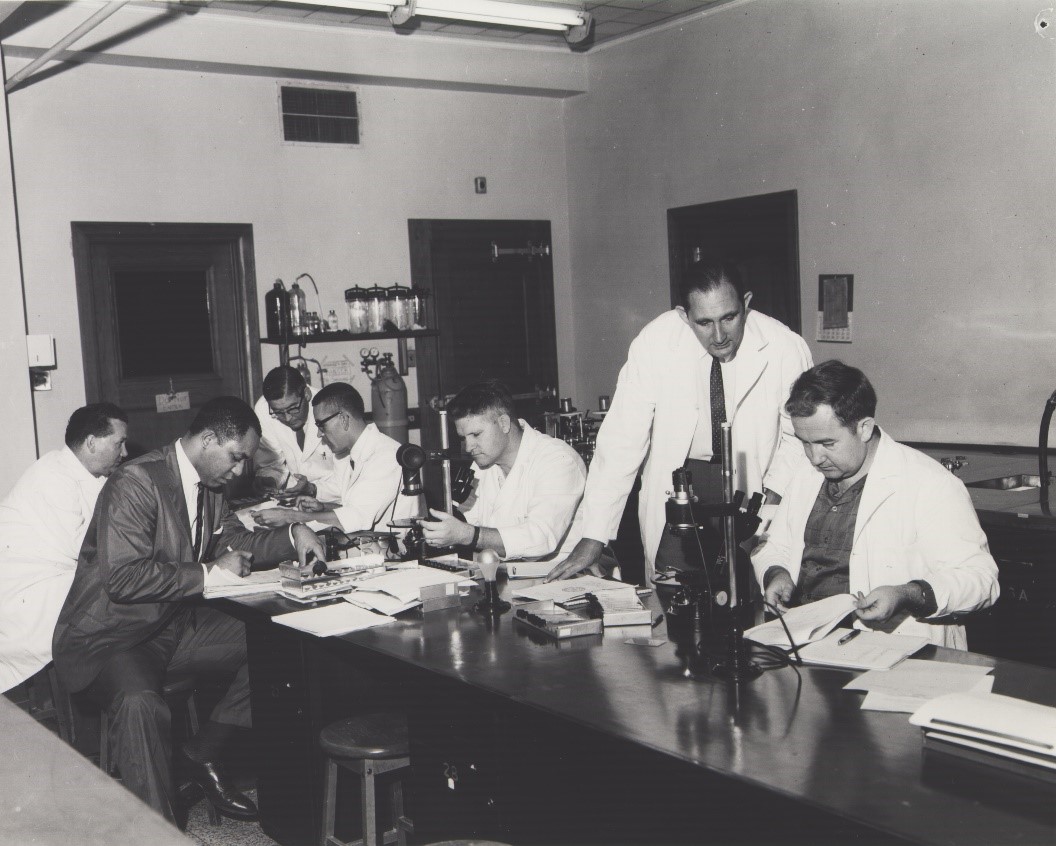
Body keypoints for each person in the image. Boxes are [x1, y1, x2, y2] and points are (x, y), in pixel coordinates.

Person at [52, 397, 325, 824]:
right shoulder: (135, 482)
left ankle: (201, 753)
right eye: (235, 458)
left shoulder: (210, 487)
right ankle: (160, 832)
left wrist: (295, 532)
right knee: (140, 704)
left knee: (281, 641)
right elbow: (124, 579)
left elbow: (235, 544)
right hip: (114, 636)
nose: (238, 472)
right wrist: (208, 573)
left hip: (172, 623)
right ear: (209, 439)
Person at [547, 262, 812, 582]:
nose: (719, 335)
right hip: (682, 487)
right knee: (673, 589)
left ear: (747, 303)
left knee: (748, 595)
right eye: (704, 322)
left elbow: (798, 434)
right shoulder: (656, 342)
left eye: (729, 317)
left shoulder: (784, 346)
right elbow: (622, 440)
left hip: (753, 488)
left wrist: (774, 493)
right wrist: (594, 535)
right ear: (683, 315)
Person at [751, 360, 999, 648]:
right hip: (808, 645)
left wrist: (907, 594)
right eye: (805, 443)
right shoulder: (807, 474)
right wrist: (776, 573)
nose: (814, 457)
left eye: (827, 443)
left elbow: (982, 581)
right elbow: (775, 546)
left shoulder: (930, 484)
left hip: (898, 653)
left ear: (865, 428)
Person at [0, 403, 128, 693]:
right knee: (120, 611)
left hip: (52, 582)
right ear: (91, 443)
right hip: (25, 598)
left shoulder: (90, 476)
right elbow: (89, 551)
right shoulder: (53, 476)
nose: (125, 453)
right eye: (119, 443)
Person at [419, 380, 587, 559]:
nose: (468, 448)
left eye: (476, 434)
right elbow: (469, 520)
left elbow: (541, 538)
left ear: (504, 423)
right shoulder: (483, 464)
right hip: (507, 574)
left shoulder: (557, 460)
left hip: (562, 577)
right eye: (463, 438)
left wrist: (468, 535)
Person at [253, 382, 417, 532]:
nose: (319, 434)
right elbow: (351, 505)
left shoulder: (386, 456)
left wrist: (289, 516)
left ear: (344, 419)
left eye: (321, 425)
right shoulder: (349, 454)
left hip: (396, 554)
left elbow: (357, 517)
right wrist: (322, 507)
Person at [253, 366, 337, 496]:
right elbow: (271, 464)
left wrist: (312, 489)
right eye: (278, 412)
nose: (287, 418)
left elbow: (350, 476)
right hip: (293, 495)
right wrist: (268, 481)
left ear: (307, 394)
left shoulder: (330, 409)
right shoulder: (263, 409)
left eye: (293, 408)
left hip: (334, 495)